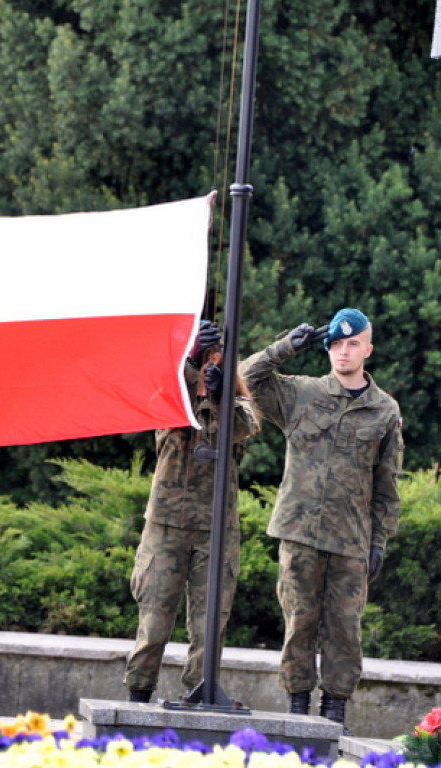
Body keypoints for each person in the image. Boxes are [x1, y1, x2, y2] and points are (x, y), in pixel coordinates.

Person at [239, 308, 403, 730]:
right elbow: (245, 379)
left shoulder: (384, 410)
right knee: (299, 623)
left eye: (352, 344)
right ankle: (296, 710)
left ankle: (335, 712)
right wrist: (285, 347)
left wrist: (380, 540)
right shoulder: (302, 394)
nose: (342, 351)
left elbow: (386, 484)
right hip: (300, 533)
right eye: (334, 343)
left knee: (345, 630)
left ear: (368, 349)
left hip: (351, 539)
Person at [123, 320, 261, 703]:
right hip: (166, 524)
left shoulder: (237, 403)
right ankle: (139, 692)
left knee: (209, 623)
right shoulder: (172, 394)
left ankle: (202, 692)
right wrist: (191, 358)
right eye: (205, 357)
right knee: (154, 619)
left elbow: (245, 426)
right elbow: (157, 393)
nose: (210, 365)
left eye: (217, 358)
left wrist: (221, 396)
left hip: (216, 528)